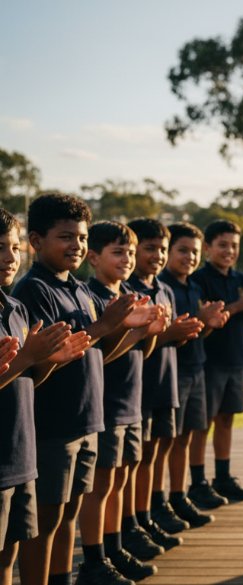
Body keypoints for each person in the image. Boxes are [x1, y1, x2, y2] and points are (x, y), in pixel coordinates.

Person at [13, 194, 151, 585]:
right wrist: (106, 326)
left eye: (82, 237)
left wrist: (134, 330)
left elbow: (97, 353)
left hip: (88, 418)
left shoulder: (78, 288)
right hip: (55, 423)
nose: (76, 245)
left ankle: (66, 576)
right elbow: (49, 357)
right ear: (36, 242)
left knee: (69, 513)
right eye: (65, 237)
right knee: (47, 519)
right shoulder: (34, 291)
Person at [0, 208, 90, 585]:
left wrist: (48, 361)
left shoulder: (14, 307)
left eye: (13, 247)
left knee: (10, 555)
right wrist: (28, 357)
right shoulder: (32, 291)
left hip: (22, 450)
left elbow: (25, 379)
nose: (9, 257)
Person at [80, 222, 167, 584]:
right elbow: (98, 354)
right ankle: (94, 560)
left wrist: (149, 332)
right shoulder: (95, 298)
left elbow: (141, 352)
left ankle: (115, 548)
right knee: (100, 488)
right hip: (106, 403)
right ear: (94, 257)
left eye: (130, 252)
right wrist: (132, 330)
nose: (128, 259)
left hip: (133, 401)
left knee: (120, 480)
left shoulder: (130, 293)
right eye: (118, 252)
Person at [125, 218, 202, 558]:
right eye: (149, 249)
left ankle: (149, 514)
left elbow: (170, 337)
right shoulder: (127, 290)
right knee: (135, 460)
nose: (157, 256)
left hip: (164, 382)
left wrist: (190, 329)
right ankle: (129, 525)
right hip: (137, 388)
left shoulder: (165, 289)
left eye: (161, 249)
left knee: (157, 451)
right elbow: (139, 341)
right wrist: (168, 332)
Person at [156, 223, 228, 534]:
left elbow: (195, 331)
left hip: (197, 366)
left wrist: (209, 323)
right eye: (182, 250)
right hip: (174, 371)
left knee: (186, 437)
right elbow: (169, 333)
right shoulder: (162, 287)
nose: (190, 257)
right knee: (166, 442)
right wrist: (200, 321)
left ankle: (179, 494)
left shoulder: (194, 287)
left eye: (195, 252)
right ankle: (159, 503)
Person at [190, 220, 243, 505]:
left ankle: (223, 476)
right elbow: (208, 319)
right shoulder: (199, 280)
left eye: (234, 246)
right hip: (209, 361)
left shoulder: (240, 279)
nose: (229, 251)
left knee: (226, 420)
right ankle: (198, 482)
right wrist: (239, 306)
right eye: (223, 245)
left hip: (236, 359)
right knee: (202, 424)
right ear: (207, 247)